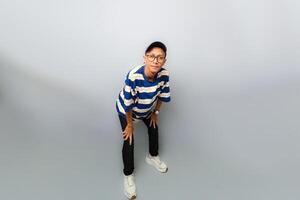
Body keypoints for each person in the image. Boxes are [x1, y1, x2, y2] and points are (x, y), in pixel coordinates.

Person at [116, 41, 171, 199]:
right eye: (152, 56)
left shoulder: (164, 75)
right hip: (128, 111)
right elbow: (127, 103)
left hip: (147, 109)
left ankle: (152, 157)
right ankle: (128, 175)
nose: (155, 60)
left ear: (164, 61)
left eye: (160, 57)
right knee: (129, 139)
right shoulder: (134, 76)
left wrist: (155, 112)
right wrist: (130, 124)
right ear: (145, 58)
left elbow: (162, 95)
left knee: (154, 127)